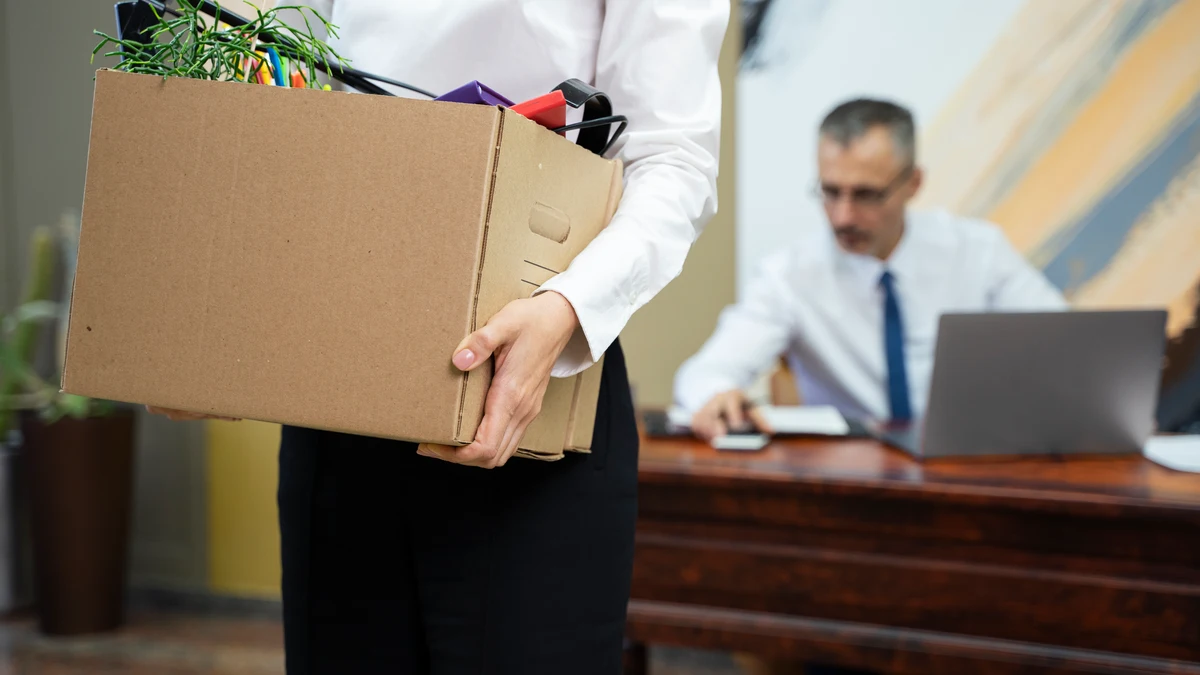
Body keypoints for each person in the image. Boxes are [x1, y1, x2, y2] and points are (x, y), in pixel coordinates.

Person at [149, 1, 728, 673]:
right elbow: (282, 76)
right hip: (339, 393)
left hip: (532, 397)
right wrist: (218, 322)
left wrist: (567, 307)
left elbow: (674, 158)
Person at [676, 98, 1067, 443]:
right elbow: (707, 372)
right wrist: (717, 395)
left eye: (866, 195)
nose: (843, 217)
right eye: (830, 192)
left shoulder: (978, 251)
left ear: (913, 183)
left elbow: (1065, 343)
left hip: (968, 462)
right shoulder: (789, 276)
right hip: (851, 475)